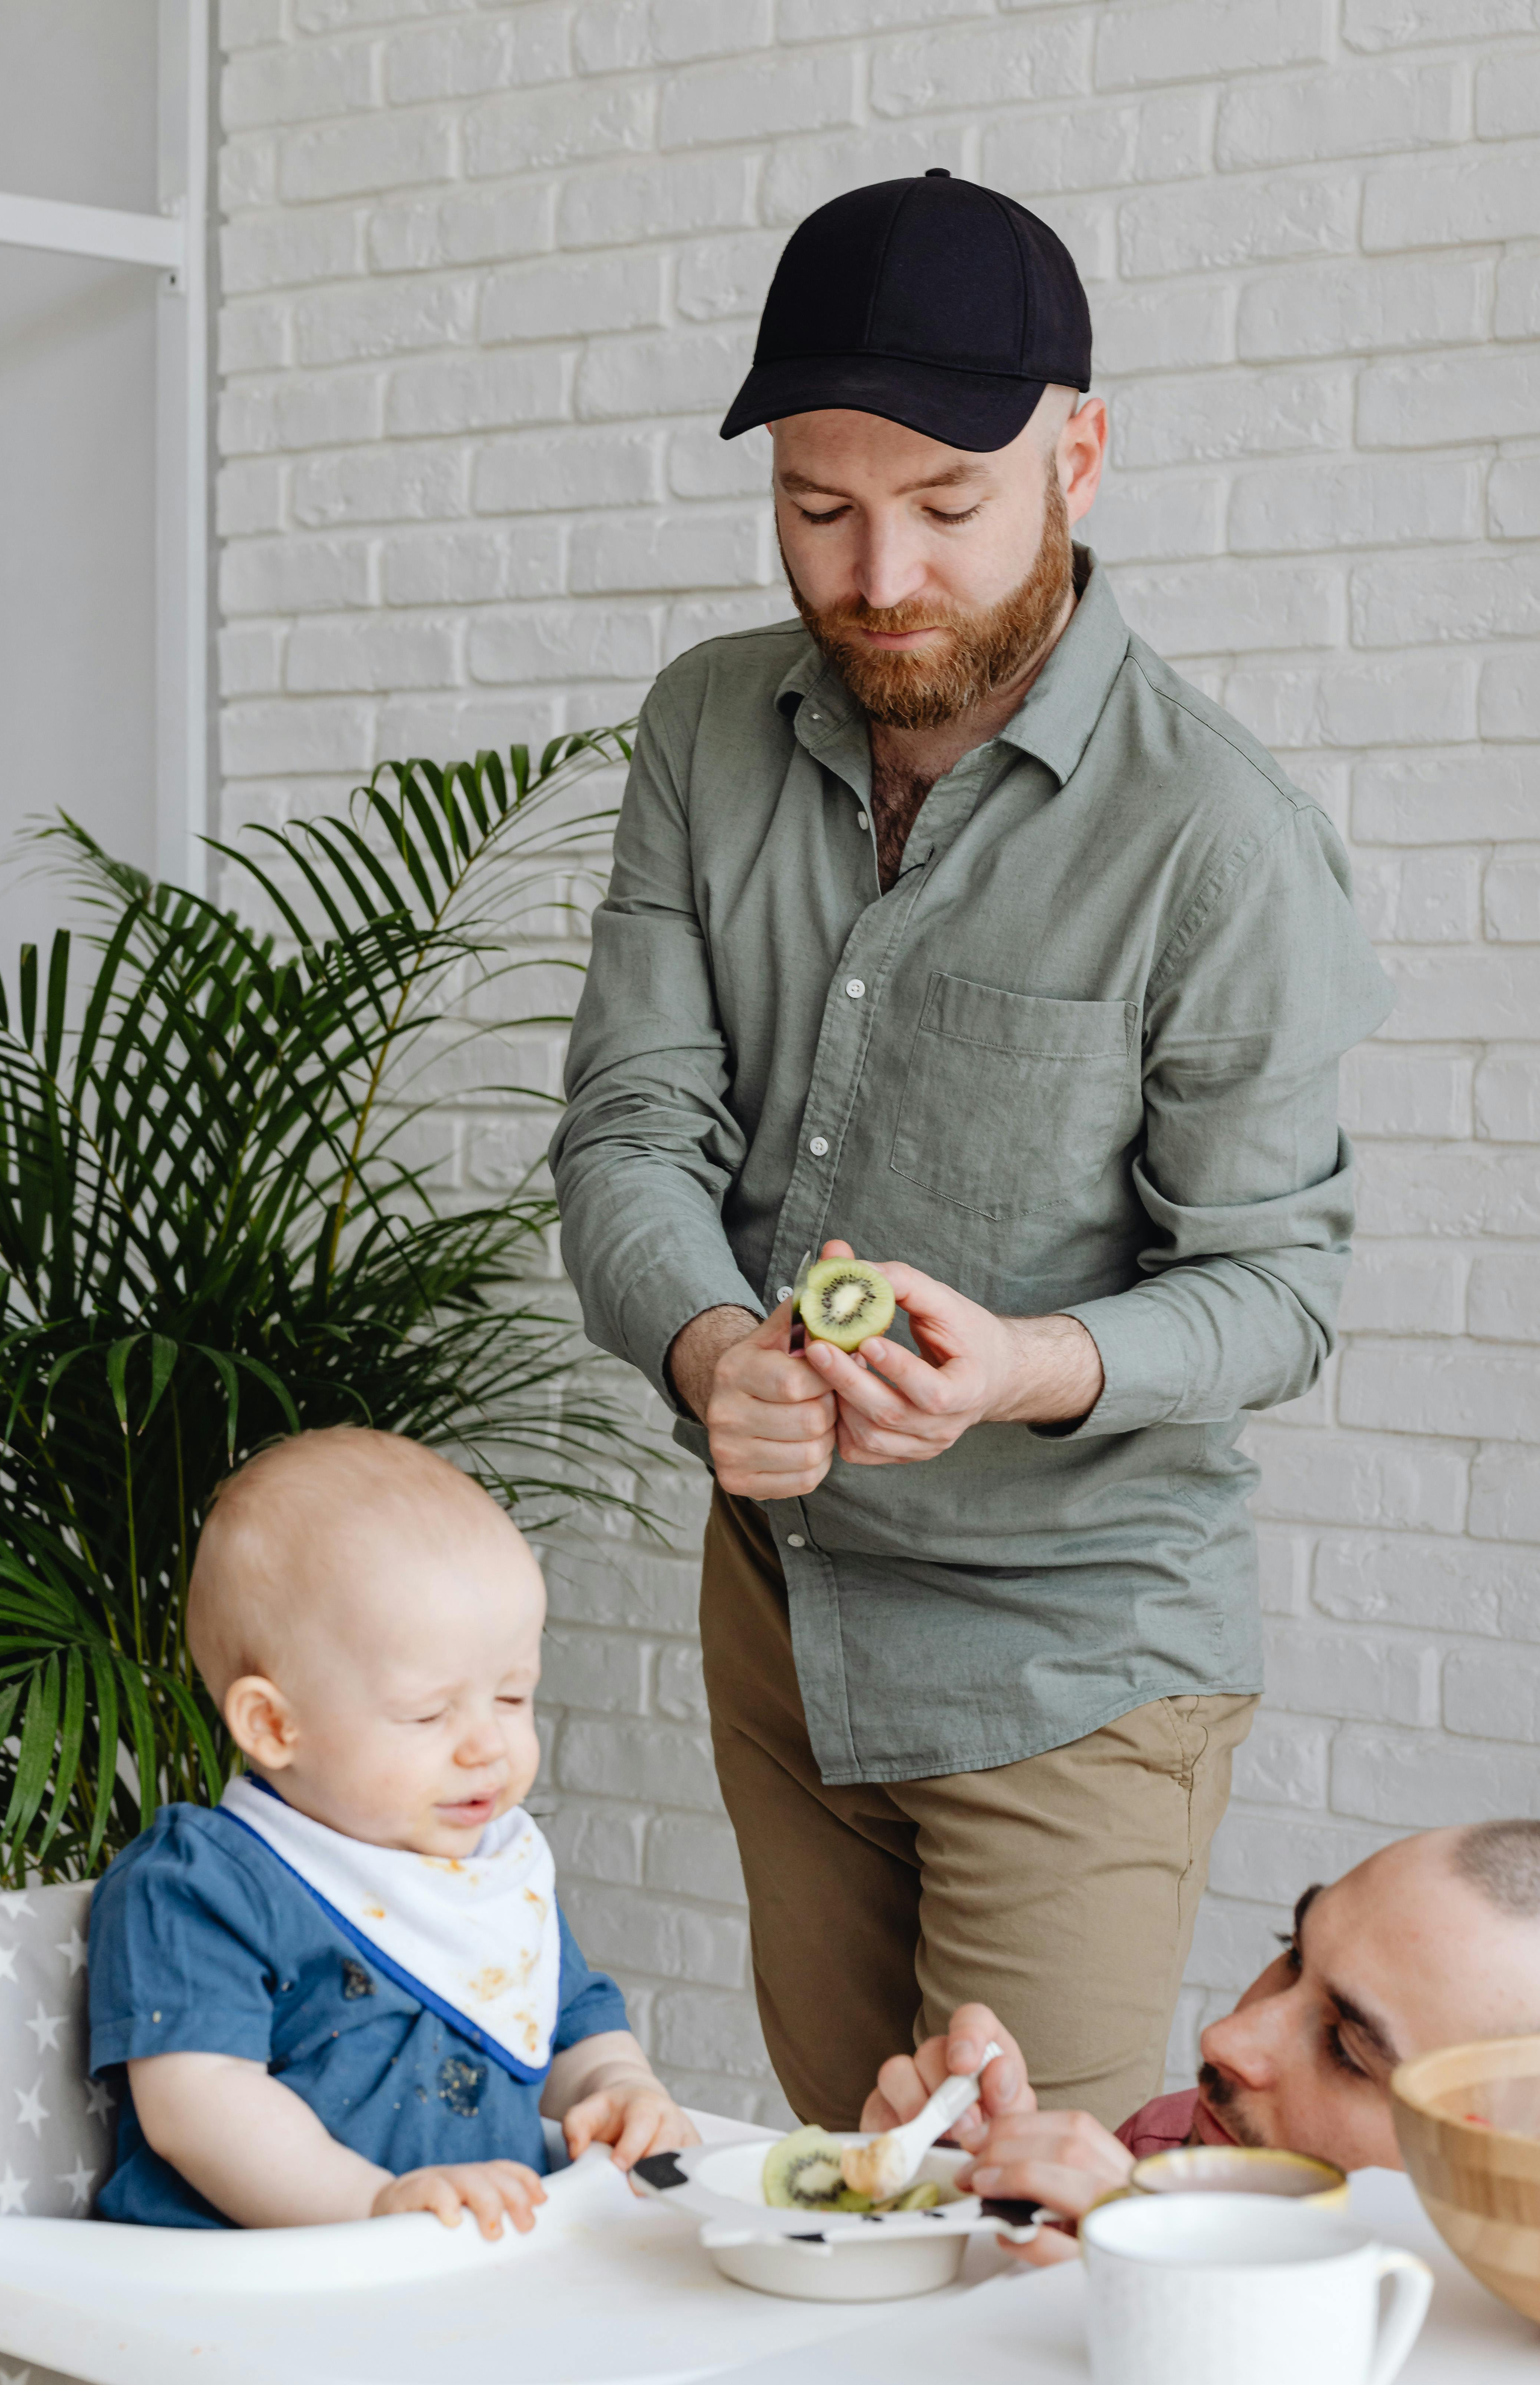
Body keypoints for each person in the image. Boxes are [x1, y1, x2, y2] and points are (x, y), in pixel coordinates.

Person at [549, 169, 1394, 2133]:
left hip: (1072, 1658)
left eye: (942, 504)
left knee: (1020, 2253)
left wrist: (1025, 1364)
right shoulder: (701, 727)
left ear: (1074, 455)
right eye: (817, 508)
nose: (874, 577)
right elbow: (630, 1119)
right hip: (783, 1609)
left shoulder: (1221, 843)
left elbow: (1277, 1287)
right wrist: (704, 1351)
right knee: (851, 2207)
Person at [88, 1428, 694, 2232]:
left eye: (513, 1696)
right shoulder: (201, 1881)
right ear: (274, 1723)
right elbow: (199, 2103)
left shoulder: (489, 1869)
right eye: (429, 1711)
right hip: (254, 2296)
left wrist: (618, 2086)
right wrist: (370, 2204)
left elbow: (569, 2022)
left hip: (464, 2270)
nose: (488, 1743)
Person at [861, 1820, 1540, 2262]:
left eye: (1347, 2051)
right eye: (1293, 1955)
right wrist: (960, 2198)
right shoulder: (1166, 2142)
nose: (1224, 2038)